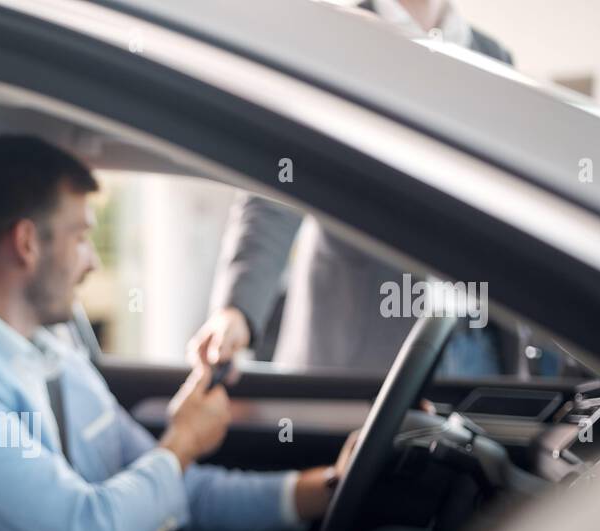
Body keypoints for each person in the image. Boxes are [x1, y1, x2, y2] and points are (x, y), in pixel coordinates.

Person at [0, 135, 428, 531]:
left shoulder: (52, 352)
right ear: (28, 243)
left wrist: (327, 488)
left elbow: (174, 487)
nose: (93, 261)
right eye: (81, 235)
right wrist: (181, 442)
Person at [191, 0, 526, 376]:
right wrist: (237, 308)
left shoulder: (492, 58)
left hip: (478, 348)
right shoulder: (331, 42)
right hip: (361, 352)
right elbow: (278, 182)